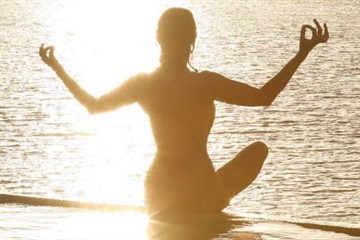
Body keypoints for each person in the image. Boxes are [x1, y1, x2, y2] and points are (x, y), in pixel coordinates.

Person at [39, 8, 329, 219]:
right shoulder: (204, 83)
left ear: (158, 38)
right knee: (258, 150)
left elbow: (93, 105)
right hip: (199, 191)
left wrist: (58, 68)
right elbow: (264, 97)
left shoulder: (143, 83)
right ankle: (206, 208)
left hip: (158, 193)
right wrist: (302, 53)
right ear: (192, 39)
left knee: (255, 152)